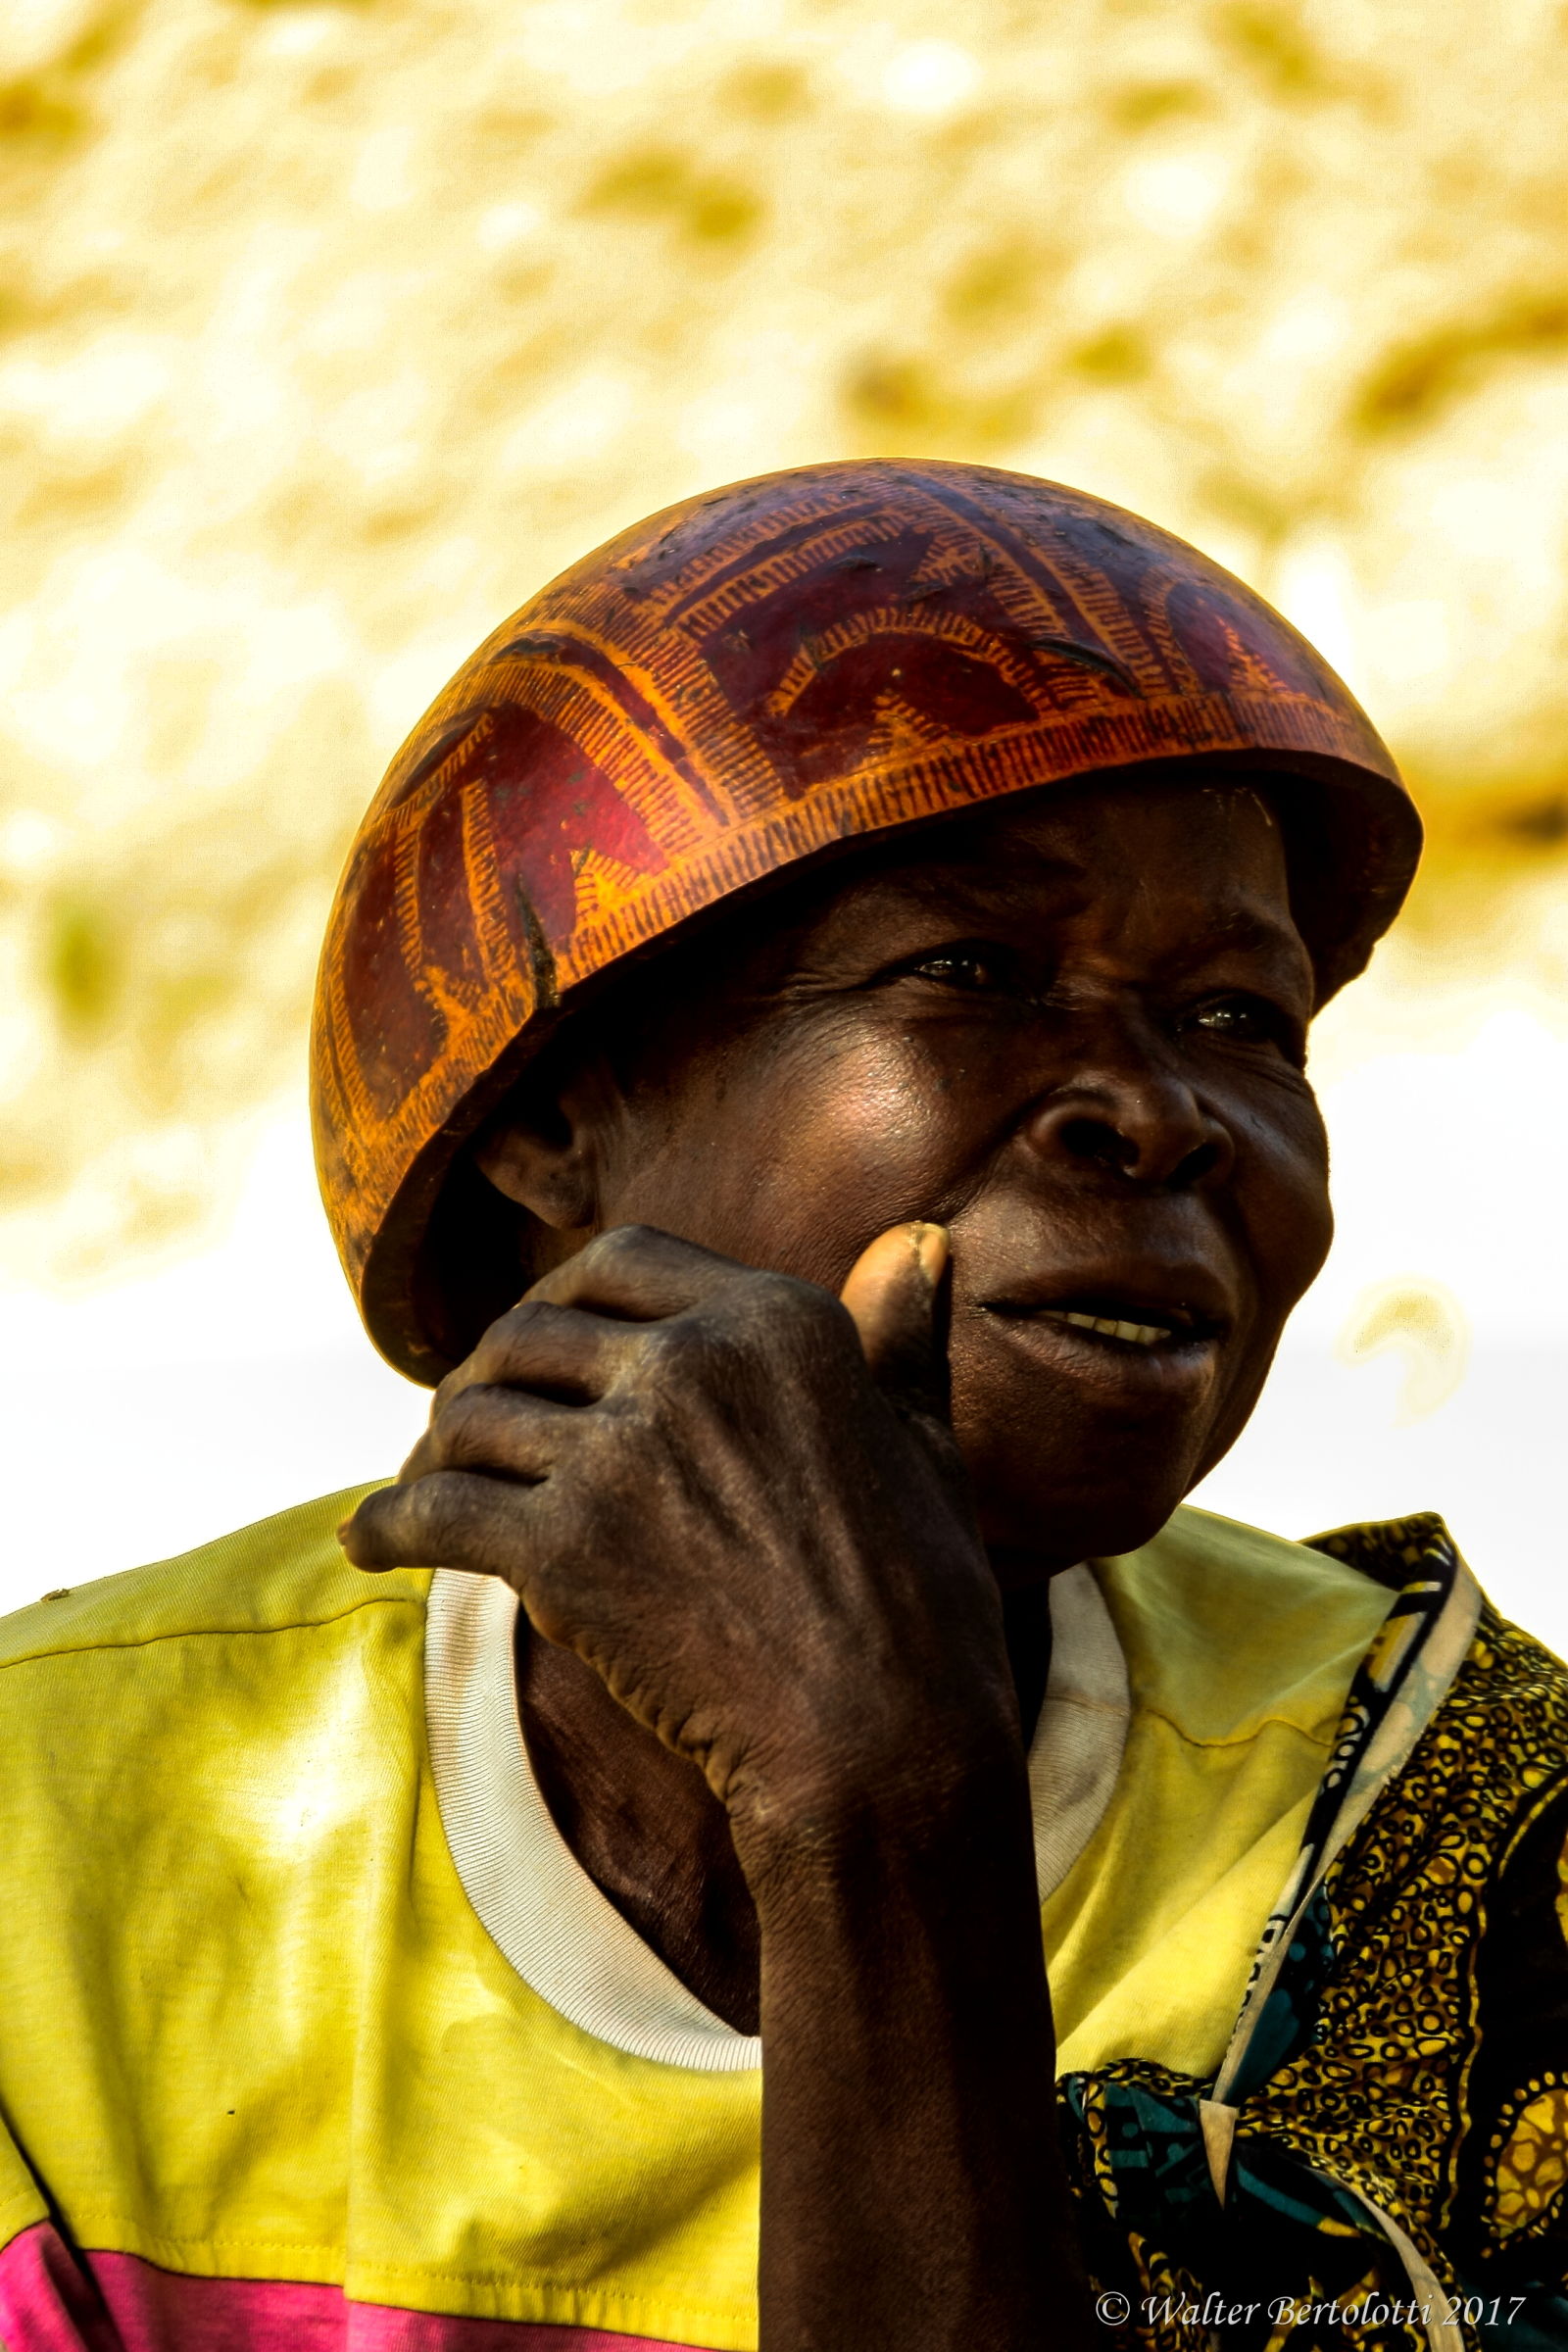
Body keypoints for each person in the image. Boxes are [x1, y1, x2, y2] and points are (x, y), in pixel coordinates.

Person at [1, 459, 1564, 2352]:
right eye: (973, 972)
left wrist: (874, 1797)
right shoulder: (58, 1830)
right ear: (556, 1119)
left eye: (1244, 1018)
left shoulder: (1458, 1837)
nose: (1157, 1109)